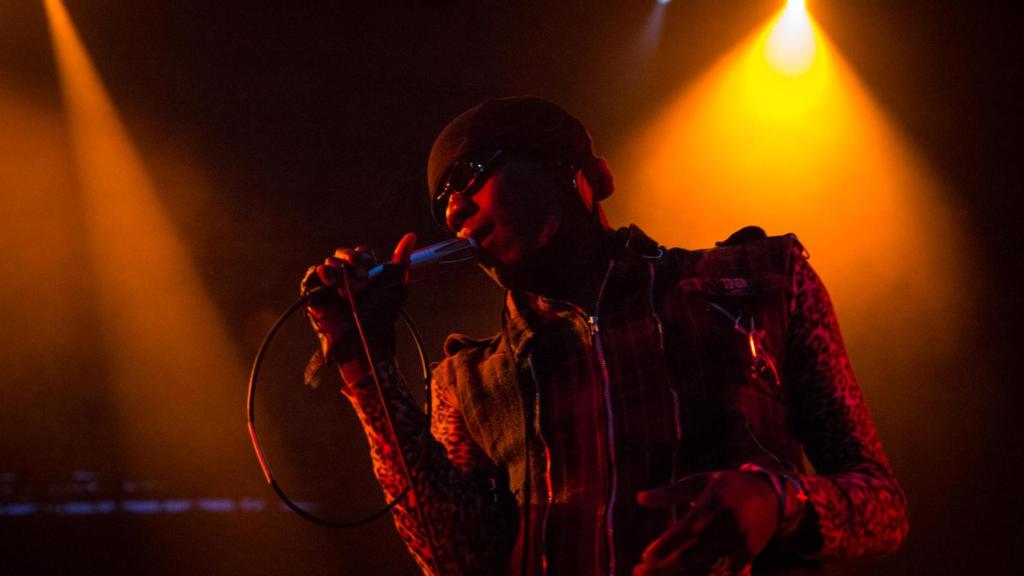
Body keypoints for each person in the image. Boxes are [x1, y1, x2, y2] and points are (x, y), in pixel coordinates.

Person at [302, 97, 908, 576]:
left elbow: (883, 505)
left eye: (471, 174)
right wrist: (364, 365)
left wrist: (779, 502)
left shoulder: (761, 281)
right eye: (442, 205)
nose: (454, 209)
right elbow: (456, 559)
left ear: (575, 174)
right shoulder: (467, 380)